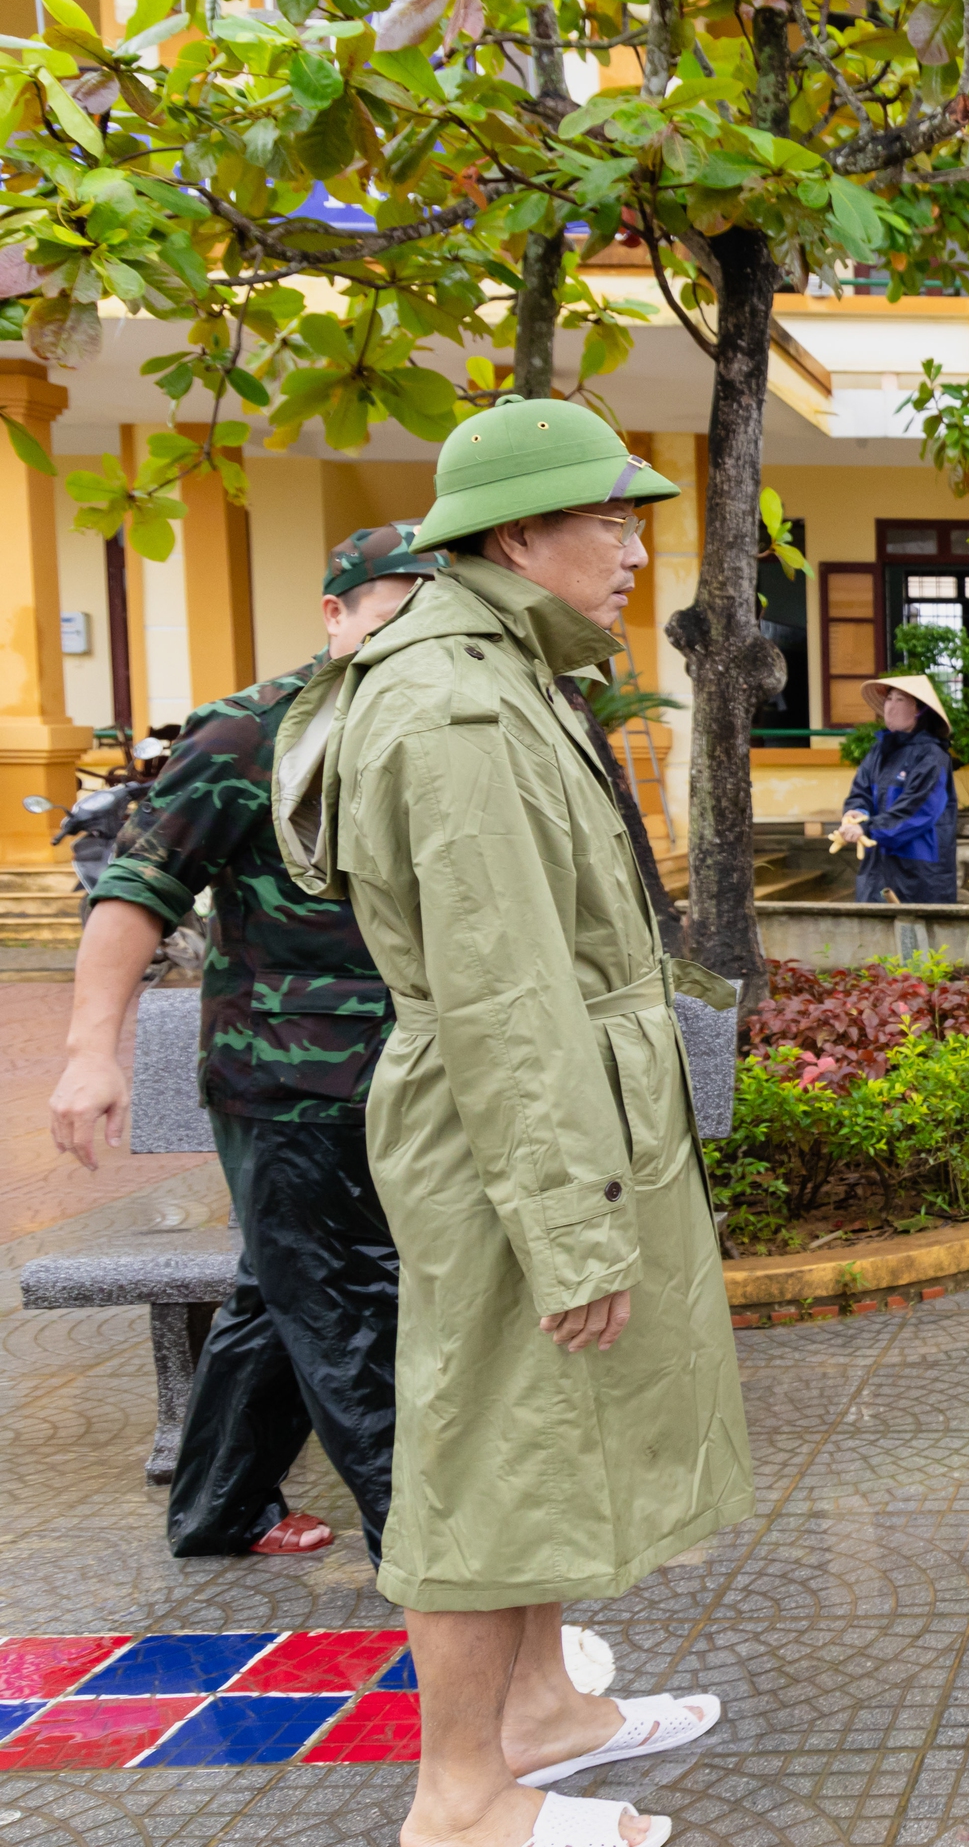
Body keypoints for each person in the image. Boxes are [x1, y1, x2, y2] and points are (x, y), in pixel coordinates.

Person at [273, 398, 749, 1847]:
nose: (627, 549)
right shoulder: (461, 706)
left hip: (550, 1104)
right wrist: (569, 1224)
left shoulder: (496, 665)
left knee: (538, 1424)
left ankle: (539, 1706)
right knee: (483, 1444)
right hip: (511, 1123)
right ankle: (462, 1795)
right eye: (607, 521)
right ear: (519, 534)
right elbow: (501, 994)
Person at [49, 525, 441, 1565]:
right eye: (395, 608)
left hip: (410, 1076)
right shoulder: (249, 735)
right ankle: (436, 1561)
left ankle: (219, 1504)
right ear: (337, 613)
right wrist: (94, 1051)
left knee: (285, 1289)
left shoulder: (441, 731)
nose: (416, 636)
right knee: (357, 1306)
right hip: (290, 1087)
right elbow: (135, 891)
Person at [835, 674, 958, 902]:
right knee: (873, 934)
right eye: (888, 699)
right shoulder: (878, 752)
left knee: (917, 935)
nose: (890, 707)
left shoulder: (932, 757)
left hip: (919, 872)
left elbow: (916, 811)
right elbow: (860, 793)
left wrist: (869, 829)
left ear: (919, 711)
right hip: (877, 867)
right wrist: (856, 814)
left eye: (900, 700)